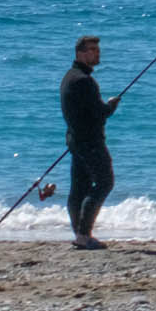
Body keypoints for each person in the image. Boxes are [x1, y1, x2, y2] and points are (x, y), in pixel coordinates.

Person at [58, 36, 119, 248]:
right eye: (92, 50)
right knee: (104, 182)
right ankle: (83, 235)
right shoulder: (84, 81)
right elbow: (100, 113)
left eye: (97, 50)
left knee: (79, 188)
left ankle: (79, 234)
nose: (97, 53)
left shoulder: (69, 77)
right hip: (90, 142)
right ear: (80, 53)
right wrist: (111, 105)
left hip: (75, 141)